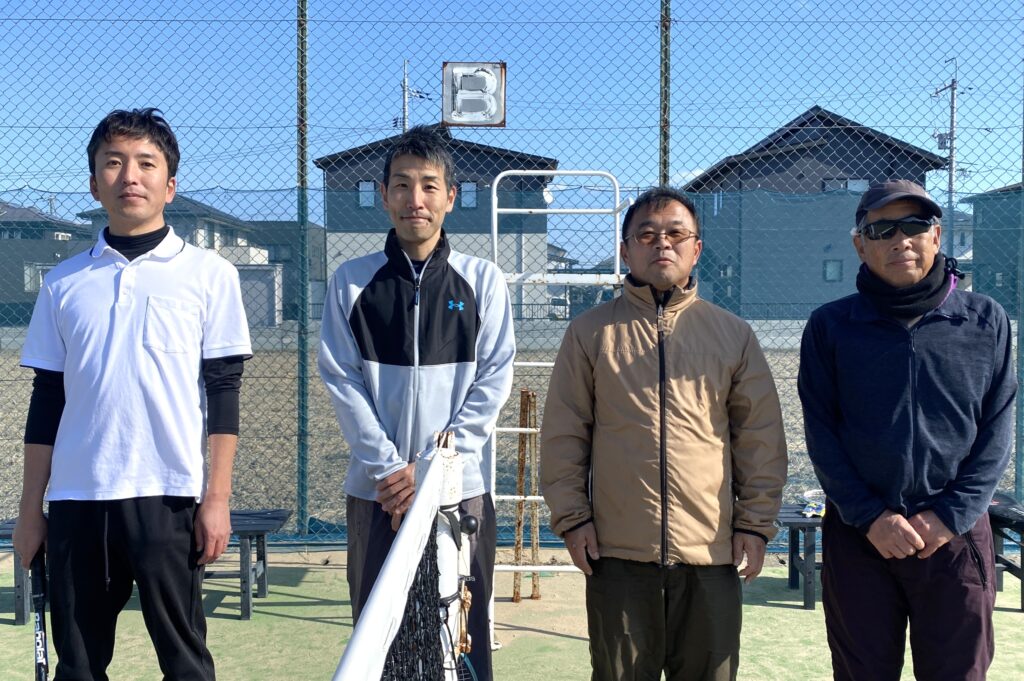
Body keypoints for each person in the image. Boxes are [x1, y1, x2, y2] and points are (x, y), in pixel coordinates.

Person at [13, 108, 252, 680]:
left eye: (146, 163)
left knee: (186, 665)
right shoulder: (62, 282)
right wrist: (29, 511)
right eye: (113, 163)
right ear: (94, 184)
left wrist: (216, 499)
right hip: (78, 498)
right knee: (79, 667)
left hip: (169, 497)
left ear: (170, 184)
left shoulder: (210, 274)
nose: (130, 176)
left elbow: (223, 392)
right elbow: (47, 401)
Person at [540, 186, 787, 681]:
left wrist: (755, 525)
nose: (662, 244)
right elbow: (565, 435)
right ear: (625, 250)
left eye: (676, 234)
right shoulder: (590, 333)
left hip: (711, 552)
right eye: (647, 235)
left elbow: (758, 438)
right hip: (617, 554)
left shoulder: (733, 334)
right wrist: (573, 518)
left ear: (697, 248)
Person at [798, 179, 1017, 680]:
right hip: (861, 536)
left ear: (936, 235)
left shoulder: (986, 321)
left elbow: (996, 431)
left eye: (915, 226)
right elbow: (822, 435)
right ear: (860, 244)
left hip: (954, 538)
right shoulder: (831, 326)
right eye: (883, 230)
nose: (901, 240)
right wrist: (871, 516)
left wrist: (949, 517)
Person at [317, 125, 515, 680]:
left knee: (463, 640)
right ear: (384, 195)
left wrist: (435, 471)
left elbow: (493, 379)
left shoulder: (483, 281)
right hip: (379, 494)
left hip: (459, 494)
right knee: (381, 642)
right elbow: (342, 379)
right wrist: (390, 471)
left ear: (450, 196)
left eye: (429, 185)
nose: (415, 199)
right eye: (402, 185)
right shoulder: (350, 283)